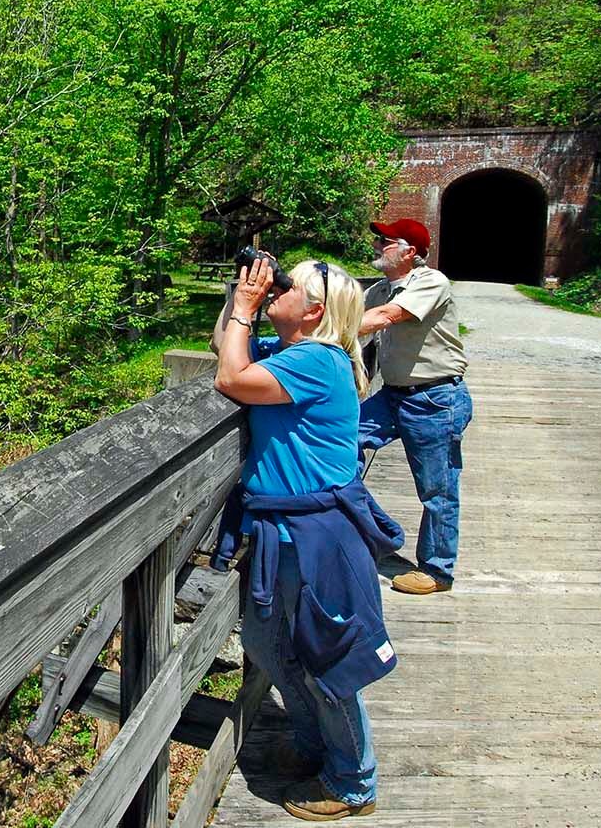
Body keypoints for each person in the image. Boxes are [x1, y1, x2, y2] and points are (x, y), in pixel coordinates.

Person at [211, 255, 405, 821]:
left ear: (315, 311)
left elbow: (230, 379)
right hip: (284, 530)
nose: (278, 288)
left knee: (326, 661)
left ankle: (352, 783)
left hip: (313, 533)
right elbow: (225, 347)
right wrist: (238, 297)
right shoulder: (297, 354)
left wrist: (247, 307)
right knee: (267, 645)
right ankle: (319, 746)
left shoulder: (319, 361)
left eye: (289, 285)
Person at [358, 218, 472, 595]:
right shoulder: (378, 290)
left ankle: (438, 572)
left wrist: (331, 327)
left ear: (410, 252)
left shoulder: (431, 282)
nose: (377, 245)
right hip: (394, 396)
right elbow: (350, 312)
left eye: (385, 240)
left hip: (434, 398)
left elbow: (388, 317)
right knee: (340, 440)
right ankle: (364, 531)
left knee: (437, 490)